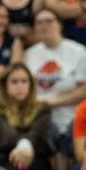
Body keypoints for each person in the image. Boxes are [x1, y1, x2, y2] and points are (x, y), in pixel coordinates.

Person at [25, 8, 86, 158]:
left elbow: (84, 90)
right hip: (41, 117)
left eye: (49, 21)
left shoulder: (78, 52)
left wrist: (53, 102)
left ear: (59, 25)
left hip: (73, 115)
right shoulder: (29, 55)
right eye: (39, 22)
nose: (44, 25)